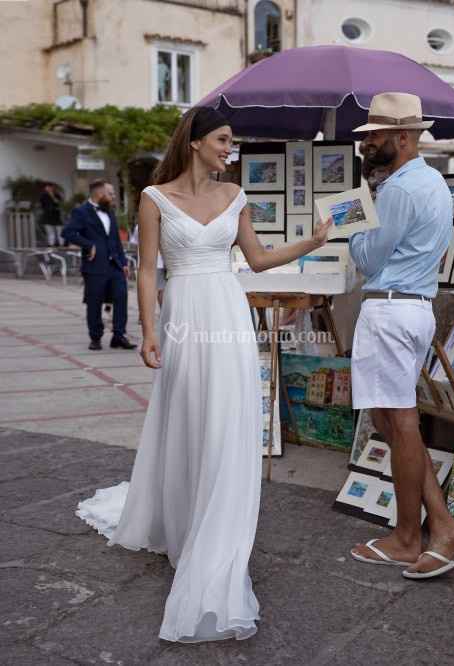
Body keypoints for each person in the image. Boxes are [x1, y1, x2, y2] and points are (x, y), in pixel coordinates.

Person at [75, 106, 331, 642]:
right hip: (183, 318)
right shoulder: (154, 198)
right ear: (194, 142)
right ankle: (186, 520)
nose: (229, 149)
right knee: (189, 418)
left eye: (231, 142)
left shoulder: (235, 195)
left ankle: (219, 536)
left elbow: (257, 260)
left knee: (228, 422)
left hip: (229, 317)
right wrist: (147, 331)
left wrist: (311, 242)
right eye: (222, 139)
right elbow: (146, 270)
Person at [348, 93, 454, 579]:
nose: (366, 144)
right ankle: (442, 525)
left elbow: (368, 259)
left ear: (402, 137)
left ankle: (408, 538)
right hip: (410, 308)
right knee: (393, 419)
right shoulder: (429, 182)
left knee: (399, 422)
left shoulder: (400, 189)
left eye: (375, 136)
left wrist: (353, 223)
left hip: (392, 309)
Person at [62, 180, 137, 351]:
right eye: (111, 193)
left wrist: (123, 262)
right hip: (94, 265)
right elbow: (68, 232)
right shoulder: (81, 212)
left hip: (115, 265)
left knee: (121, 298)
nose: (114, 196)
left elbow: (116, 240)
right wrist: (89, 245)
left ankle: (119, 336)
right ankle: (95, 337)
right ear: (99, 194)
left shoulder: (109, 211)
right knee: (94, 302)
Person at [129, 223, 166, 309]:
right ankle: (162, 313)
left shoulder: (139, 226)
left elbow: (134, 242)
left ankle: (142, 316)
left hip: (142, 263)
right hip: (158, 262)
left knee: (145, 290)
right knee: (160, 290)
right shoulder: (160, 225)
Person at [39, 182, 63, 247]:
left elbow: (59, 202)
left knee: (59, 231)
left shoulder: (56, 195)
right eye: (48, 187)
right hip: (48, 215)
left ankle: (61, 244)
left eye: (51, 187)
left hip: (56, 215)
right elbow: (43, 204)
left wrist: (52, 196)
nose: (49, 188)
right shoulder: (43, 195)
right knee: (50, 232)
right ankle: (51, 245)